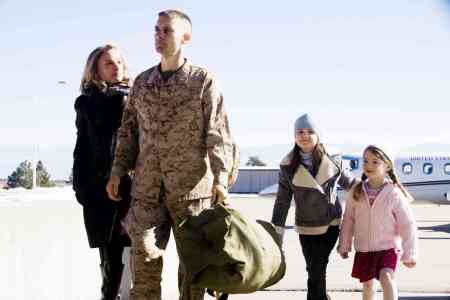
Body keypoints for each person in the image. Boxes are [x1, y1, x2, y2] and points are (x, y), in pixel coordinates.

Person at [106, 9, 235, 300]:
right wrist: (117, 170)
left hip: (191, 193)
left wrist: (221, 180)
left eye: (167, 31)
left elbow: (218, 133)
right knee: (145, 262)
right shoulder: (142, 83)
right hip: (147, 191)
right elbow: (128, 132)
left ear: (185, 37)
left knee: (193, 276)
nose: (159, 36)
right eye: (156, 30)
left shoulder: (202, 82)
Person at [271, 113, 355, 300]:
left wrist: (375, 186)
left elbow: (350, 182)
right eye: (300, 132)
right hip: (305, 226)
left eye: (310, 131)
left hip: (330, 223)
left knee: (318, 266)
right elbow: (282, 201)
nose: (304, 135)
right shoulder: (287, 165)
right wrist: (276, 231)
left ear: (318, 135)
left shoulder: (334, 158)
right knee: (313, 269)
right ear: (294, 136)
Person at [72, 44, 132, 300]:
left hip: (130, 186)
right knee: (107, 253)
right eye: (108, 63)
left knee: (126, 249)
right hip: (96, 190)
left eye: (119, 61)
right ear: (94, 70)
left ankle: (116, 295)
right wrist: (81, 186)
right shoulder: (86, 103)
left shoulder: (135, 96)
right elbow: (81, 147)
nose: (116, 66)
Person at [338, 145, 418, 300]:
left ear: (387, 165)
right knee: (368, 286)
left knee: (386, 278)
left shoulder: (394, 193)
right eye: (366, 161)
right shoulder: (357, 190)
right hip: (364, 248)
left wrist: (410, 254)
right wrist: (344, 245)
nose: (369, 165)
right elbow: (348, 220)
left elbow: (407, 224)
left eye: (375, 162)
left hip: (388, 248)